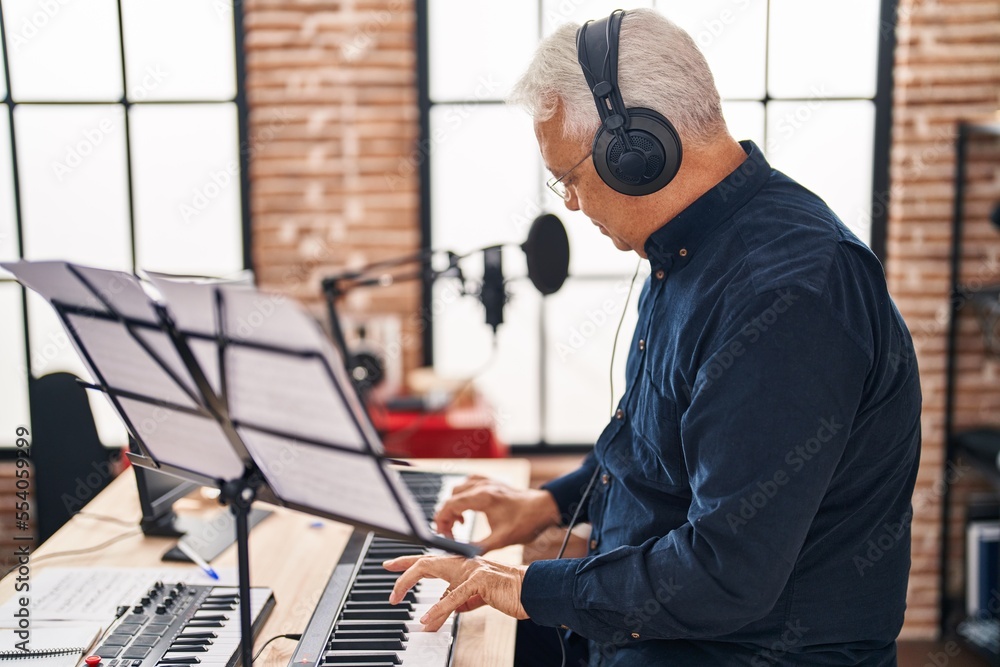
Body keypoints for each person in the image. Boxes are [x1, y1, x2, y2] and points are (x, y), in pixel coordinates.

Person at [383, 8, 921, 666]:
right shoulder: (690, 252)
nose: (571, 204)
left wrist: (530, 585)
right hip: (657, 629)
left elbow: (725, 574)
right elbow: (655, 444)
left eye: (571, 178)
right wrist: (547, 502)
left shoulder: (782, 298)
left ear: (635, 150)